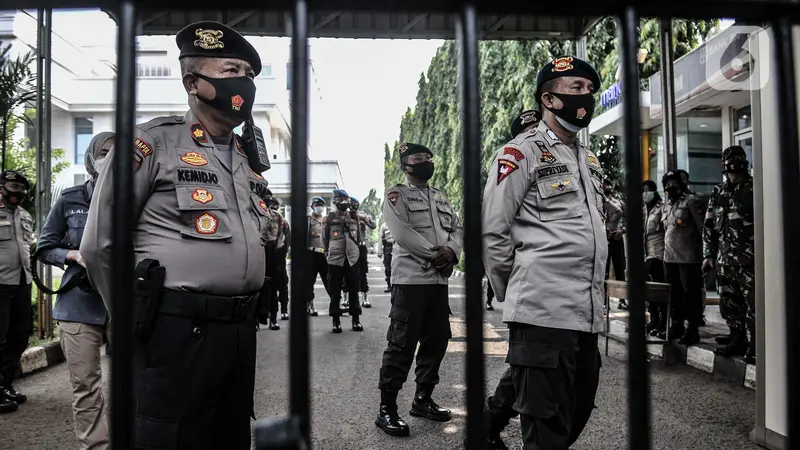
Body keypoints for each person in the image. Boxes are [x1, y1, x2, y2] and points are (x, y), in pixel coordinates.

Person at [81, 21, 267, 449]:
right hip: (175, 326)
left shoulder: (245, 157)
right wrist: (135, 316)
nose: (244, 81)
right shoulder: (152, 143)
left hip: (239, 329)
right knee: (171, 437)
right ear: (192, 82)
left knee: (230, 436)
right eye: (230, 69)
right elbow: (99, 245)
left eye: (249, 73)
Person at [482, 56, 606, 450]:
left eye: (589, 89)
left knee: (578, 409)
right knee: (546, 425)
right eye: (576, 89)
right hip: (542, 311)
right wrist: (518, 290)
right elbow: (494, 230)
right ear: (549, 99)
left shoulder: (586, 158)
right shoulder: (520, 153)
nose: (586, 96)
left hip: (585, 315)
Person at [376, 142, 463, 437]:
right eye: (418, 158)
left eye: (428, 157)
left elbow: (457, 229)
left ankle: (423, 399)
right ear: (406, 165)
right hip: (411, 281)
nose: (425, 161)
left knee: (436, 342)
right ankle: (387, 408)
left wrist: (451, 251)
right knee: (401, 345)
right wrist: (436, 256)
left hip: (438, 282)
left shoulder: (441, 196)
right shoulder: (396, 194)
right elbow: (401, 233)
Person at [36, 132, 114, 449]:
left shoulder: (138, 198)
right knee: (85, 383)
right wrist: (72, 254)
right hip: (79, 303)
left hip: (126, 303)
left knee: (138, 380)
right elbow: (44, 247)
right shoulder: (70, 198)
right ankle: (96, 446)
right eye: (105, 151)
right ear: (92, 157)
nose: (111, 157)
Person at [703, 146, 755, 363]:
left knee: (753, 304)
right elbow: (709, 226)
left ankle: (756, 344)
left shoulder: (755, 188)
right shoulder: (719, 192)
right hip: (725, 260)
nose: (734, 167)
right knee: (729, 303)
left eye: (737, 162)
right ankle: (737, 338)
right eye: (730, 163)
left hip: (750, 260)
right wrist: (709, 255)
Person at [0, 170, 33, 415]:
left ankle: (6, 384)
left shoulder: (24, 215)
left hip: (22, 282)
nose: (18, 192)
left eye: (21, 188)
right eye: (13, 186)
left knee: (20, 334)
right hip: (0, 283)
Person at [660, 170, 706, 345]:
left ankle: (692, 329)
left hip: (689, 258)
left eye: (673, 183)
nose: (670, 187)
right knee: (674, 294)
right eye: (667, 184)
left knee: (691, 295)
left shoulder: (692, 202)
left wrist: (707, 255)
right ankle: (676, 325)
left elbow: (703, 229)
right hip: (669, 258)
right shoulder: (667, 206)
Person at [323, 189, 363, 333]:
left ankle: (356, 319)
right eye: (340, 200)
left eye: (345, 200)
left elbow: (358, 236)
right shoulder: (329, 218)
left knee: (353, 289)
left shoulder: (354, 216)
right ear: (335, 201)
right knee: (335, 291)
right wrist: (328, 253)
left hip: (352, 258)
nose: (343, 203)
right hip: (335, 258)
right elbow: (325, 238)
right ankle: (336, 321)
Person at [642, 180, 667, 335]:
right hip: (646, 255)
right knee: (649, 291)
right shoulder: (643, 209)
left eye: (648, 189)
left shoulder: (661, 207)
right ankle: (654, 319)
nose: (645, 193)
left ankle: (664, 322)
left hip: (658, 254)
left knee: (660, 291)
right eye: (643, 190)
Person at [603, 179, 627, 309]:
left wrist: (622, 231)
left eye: (608, 186)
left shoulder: (619, 203)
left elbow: (629, 221)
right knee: (604, 271)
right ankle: (604, 301)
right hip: (603, 239)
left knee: (620, 270)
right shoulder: (598, 202)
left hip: (616, 238)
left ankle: (622, 300)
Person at [262, 191, 284, 331]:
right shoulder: (255, 213)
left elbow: (281, 235)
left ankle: (274, 318)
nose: (269, 202)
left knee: (274, 286)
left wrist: (278, 250)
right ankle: (258, 318)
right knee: (258, 287)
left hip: (273, 252)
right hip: (259, 250)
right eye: (267, 199)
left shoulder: (277, 217)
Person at [303, 197, 328, 316]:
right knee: (309, 281)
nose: (320, 207)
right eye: (317, 205)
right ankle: (309, 305)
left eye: (321, 205)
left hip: (324, 254)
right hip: (310, 254)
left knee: (329, 280)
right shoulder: (308, 220)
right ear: (312, 206)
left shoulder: (325, 221)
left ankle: (335, 304)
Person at [351, 196, 376, 308]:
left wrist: (366, 218)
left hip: (361, 247)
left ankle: (364, 298)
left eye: (355, 203)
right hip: (350, 247)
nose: (353, 205)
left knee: (363, 272)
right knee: (349, 272)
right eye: (352, 203)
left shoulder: (363, 215)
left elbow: (373, 225)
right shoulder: (345, 215)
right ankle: (347, 299)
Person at [269, 197, 291, 321]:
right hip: (268, 256)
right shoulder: (263, 220)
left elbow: (288, 239)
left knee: (282, 285)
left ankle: (284, 310)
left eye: (274, 205)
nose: (272, 208)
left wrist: (284, 251)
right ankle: (271, 314)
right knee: (270, 287)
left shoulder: (283, 222)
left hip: (279, 256)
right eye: (270, 205)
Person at [380, 222, 394, 293]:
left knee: (397, 266)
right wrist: (379, 251)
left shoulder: (398, 222)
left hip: (397, 245)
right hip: (388, 246)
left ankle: (395, 286)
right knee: (388, 267)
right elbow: (381, 238)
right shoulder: (384, 225)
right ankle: (389, 285)